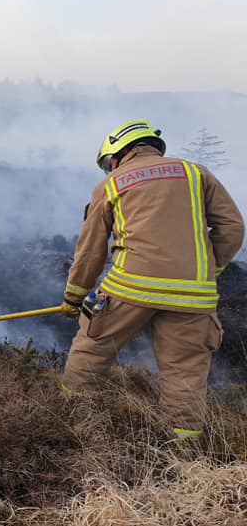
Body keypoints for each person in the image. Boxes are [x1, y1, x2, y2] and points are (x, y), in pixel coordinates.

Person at [60, 119, 244, 443]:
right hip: (192, 296)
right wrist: (205, 271)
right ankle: (185, 456)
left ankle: (69, 425)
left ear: (118, 153)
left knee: (90, 351)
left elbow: (90, 251)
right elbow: (232, 228)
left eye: (108, 163)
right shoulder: (195, 173)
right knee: (185, 375)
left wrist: (73, 299)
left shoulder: (112, 183)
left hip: (130, 287)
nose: (108, 169)